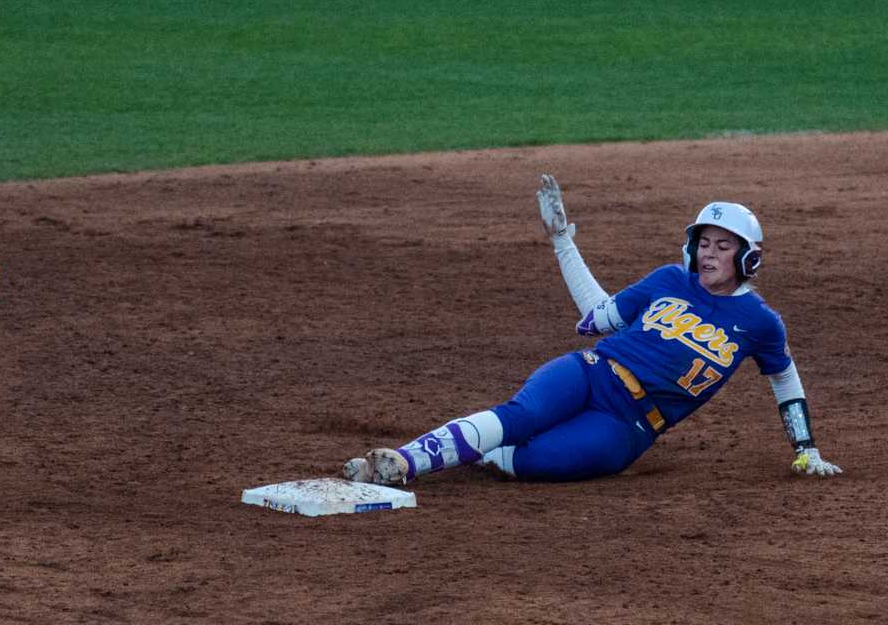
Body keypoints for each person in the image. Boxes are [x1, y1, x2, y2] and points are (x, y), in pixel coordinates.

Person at [343, 175, 842, 486]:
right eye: (703, 243)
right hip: (590, 371)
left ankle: (482, 453)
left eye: (722, 246)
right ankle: (400, 464)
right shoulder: (669, 280)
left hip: (629, 427)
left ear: (748, 258)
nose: (708, 254)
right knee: (519, 414)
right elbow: (599, 317)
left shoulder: (759, 322)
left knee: (532, 461)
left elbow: (785, 380)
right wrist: (562, 240)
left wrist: (806, 451)